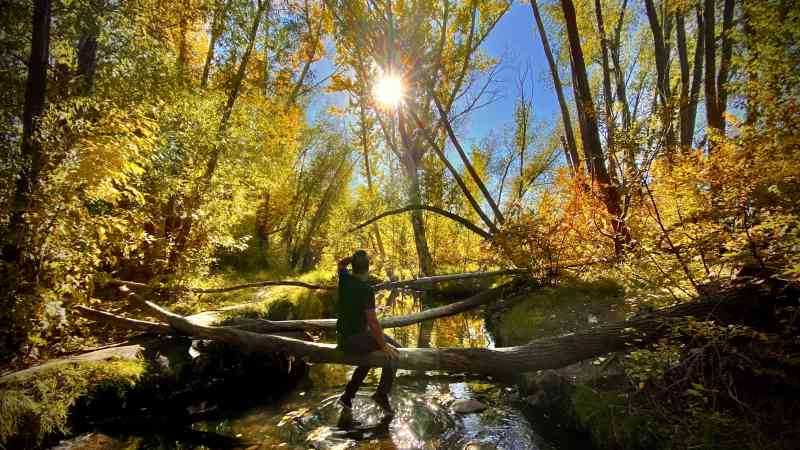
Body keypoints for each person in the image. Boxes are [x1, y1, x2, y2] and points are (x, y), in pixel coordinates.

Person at [335, 250, 399, 415]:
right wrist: (384, 347)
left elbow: (341, 264)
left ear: (354, 267)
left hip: (342, 339)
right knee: (394, 353)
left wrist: (353, 259)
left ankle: (347, 396)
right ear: (368, 268)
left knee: (370, 357)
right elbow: (373, 322)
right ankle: (381, 394)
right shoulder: (366, 289)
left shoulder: (345, 279)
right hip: (355, 341)